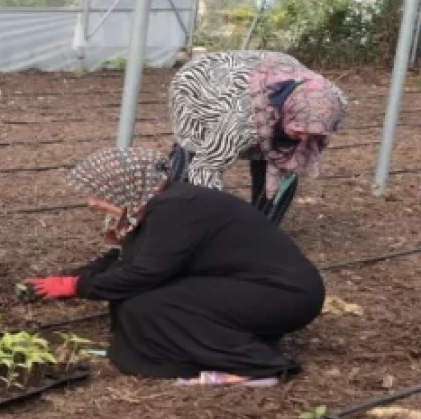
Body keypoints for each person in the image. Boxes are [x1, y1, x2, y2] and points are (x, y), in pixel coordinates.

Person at [24, 147, 325, 386]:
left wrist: (76, 287)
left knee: (154, 306)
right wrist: (69, 278)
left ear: (128, 186)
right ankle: (218, 346)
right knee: (139, 304)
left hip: (282, 295)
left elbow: (145, 273)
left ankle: (256, 365)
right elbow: (124, 259)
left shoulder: (177, 209)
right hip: (251, 288)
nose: (92, 202)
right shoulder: (165, 204)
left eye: (100, 193)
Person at [166, 50, 347, 224]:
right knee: (192, 155)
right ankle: (176, 214)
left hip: (273, 74)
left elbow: (295, 155)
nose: (304, 137)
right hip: (202, 84)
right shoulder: (243, 118)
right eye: (300, 129)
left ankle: (263, 224)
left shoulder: (330, 103)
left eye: (312, 132)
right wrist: (216, 219)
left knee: (284, 159)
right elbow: (205, 167)